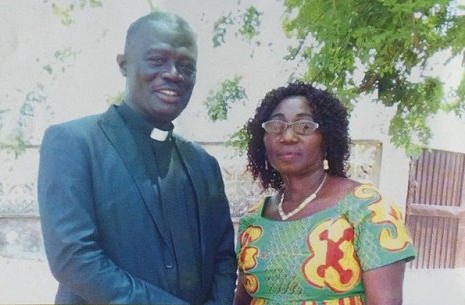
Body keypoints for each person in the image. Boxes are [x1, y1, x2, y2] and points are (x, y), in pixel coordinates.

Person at [37, 11, 237, 304]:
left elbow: (222, 257)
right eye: (157, 60)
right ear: (124, 65)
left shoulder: (203, 164)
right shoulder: (75, 143)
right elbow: (73, 257)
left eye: (186, 65)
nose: (173, 73)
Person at [234, 81, 416, 305]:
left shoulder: (368, 208)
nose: (287, 136)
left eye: (305, 126)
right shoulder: (253, 221)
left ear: (327, 137)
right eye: (276, 126)